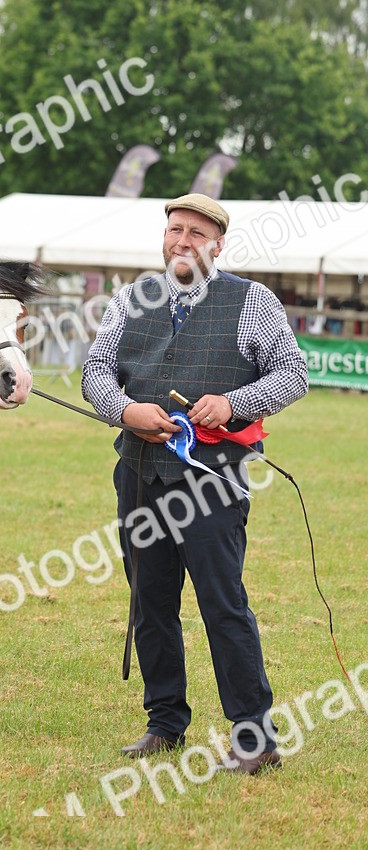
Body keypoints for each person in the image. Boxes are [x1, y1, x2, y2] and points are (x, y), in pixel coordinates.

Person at [81, 193, 308, 774]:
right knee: (149, 601)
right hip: (138, 473)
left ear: (218, 244)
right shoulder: (129, 300)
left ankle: (255, 738)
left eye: (196, 233)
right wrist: (124, 410)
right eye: (174, 230)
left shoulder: (253, 301)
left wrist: (234, 403)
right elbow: (95, 372)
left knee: (222, 602)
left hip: (214, 479)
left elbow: (292, 375)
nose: (182, 241)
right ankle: (165, 723)